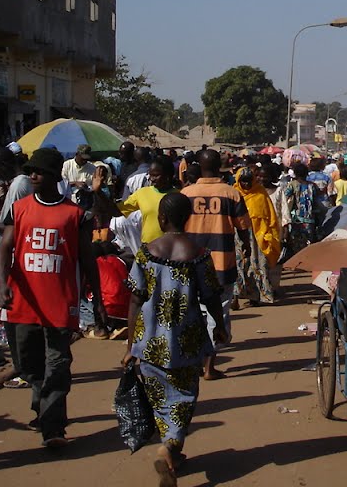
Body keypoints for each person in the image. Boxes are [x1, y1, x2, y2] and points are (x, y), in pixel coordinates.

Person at [0, 147, 106, 448]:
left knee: (57, 366)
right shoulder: (19, 209)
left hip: (61, 304)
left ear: (56, 175)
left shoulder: (74, 215)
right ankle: (41, 405)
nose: (33, 176)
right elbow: (5, 248)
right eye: (31, 170)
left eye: (39, 171)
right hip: (23, 303)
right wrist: (1, 286)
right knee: (29, 366)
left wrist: (97, 301)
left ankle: (53, 429)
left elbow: (87, 259)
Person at [123, 193, 227, 487]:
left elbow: (134, 299)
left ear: (162, 219)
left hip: (150, 340)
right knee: (184, 397)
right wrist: (219, 325)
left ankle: (170, 448)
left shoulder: (145, 253)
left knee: (160, 399)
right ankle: (169, 447)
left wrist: (131, 344)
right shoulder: (200, 254)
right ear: (188, 218)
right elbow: (211, 296)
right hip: (187, 339)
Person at [181, 149, 250, 380]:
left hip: (190, 264)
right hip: (221, 263)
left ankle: (195, 361)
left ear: (199, 167)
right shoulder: (231, 194)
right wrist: (247, 247)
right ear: (220, 166)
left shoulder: (186, 193)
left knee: (193, 312)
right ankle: (209, 366)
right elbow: (243, 227)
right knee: (217, 312)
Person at [95, 156, 177, 244]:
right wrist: (99, 191)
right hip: (148, 249)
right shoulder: (142, 193)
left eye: (155, 175)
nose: (151, 179)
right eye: (150, 174)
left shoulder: (179, 196)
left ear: (167, 176)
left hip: (172, 248)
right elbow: (116, 212)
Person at [233, 166, 281, 304]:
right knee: (241, 265)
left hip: (258, 237)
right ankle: (238, 295)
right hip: (238, 236)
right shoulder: (234, 194)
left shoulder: (261, 193)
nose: (247, 184)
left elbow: (271, 216)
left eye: (249, 181)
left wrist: (271, 235)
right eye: (243, 181)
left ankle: (260, 296)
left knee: (259, 265)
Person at [282, 161, 327, 255]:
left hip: (296, 218)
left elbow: (285, 197)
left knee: (297, 242)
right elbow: (317, 198)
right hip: (310, 218)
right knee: (308, 242)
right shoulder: (312, 185)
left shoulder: (292, 184)